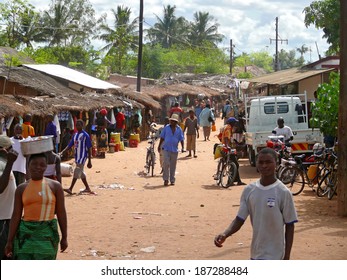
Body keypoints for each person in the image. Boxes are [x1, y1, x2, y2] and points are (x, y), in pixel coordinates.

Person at [214, 148, 298, 260]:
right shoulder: (249, 190)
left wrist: (287, 256)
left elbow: (290, 225)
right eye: (261, 162)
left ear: (276, 164)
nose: (264, 166)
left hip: (276, 255)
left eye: (268, 162)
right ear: (257, 165)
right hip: (256, 253)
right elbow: (239, 219)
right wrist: (225, 234)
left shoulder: (283, 192)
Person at [5, 152, 68, 260]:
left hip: (48, 234)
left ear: (46, 167)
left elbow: (61, 212)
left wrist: (64, 237)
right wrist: (10, 241)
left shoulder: (55, 186)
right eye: (34, 164)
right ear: (28, 165)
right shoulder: (21, 189)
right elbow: (16, 215)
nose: (38, 167)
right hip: (25, 235)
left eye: (42, 164)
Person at [60, 119, 94, 195]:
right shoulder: (75, 135)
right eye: (76, 125)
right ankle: (87, 188)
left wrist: (89, 160)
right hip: (77, 156)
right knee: (81, 173)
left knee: (77, 170)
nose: (77, 126)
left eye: (79, 125)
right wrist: (63, 152)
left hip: (83, 156)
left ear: (82, 125)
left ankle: (70, 188)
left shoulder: (85, 135)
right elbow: (70, 145)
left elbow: (89, 148)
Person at [0, 136, 18, 260]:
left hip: (7, 217)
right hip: (2, 220)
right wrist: (10, 163)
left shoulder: (4, 163)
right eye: (10, 148)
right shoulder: (2, 164)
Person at [215, 117, 245, 186]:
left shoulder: (226, 128)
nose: (235, 124)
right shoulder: (228, 129)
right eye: (234, 122)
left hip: (224, 147)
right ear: (232, 123)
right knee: (234, 164)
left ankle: (236, 180)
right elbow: (226, 138)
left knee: (234, 163)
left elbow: (220, 136)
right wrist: (227, 146)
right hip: (227, 149)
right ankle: (231, 181)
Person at [157, 114, 184, 186]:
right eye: (171, 121)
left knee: (173, 165)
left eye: (174, 121)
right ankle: (166, 179)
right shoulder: (166, 128)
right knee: (166, 163)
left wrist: (183, 147)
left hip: (174, 149)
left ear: (176, 122)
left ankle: (172, 179)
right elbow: (162, 137)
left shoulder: (179, 129)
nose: (172, 123)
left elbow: (181, 139)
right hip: (166, 148)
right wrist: (159, 146)